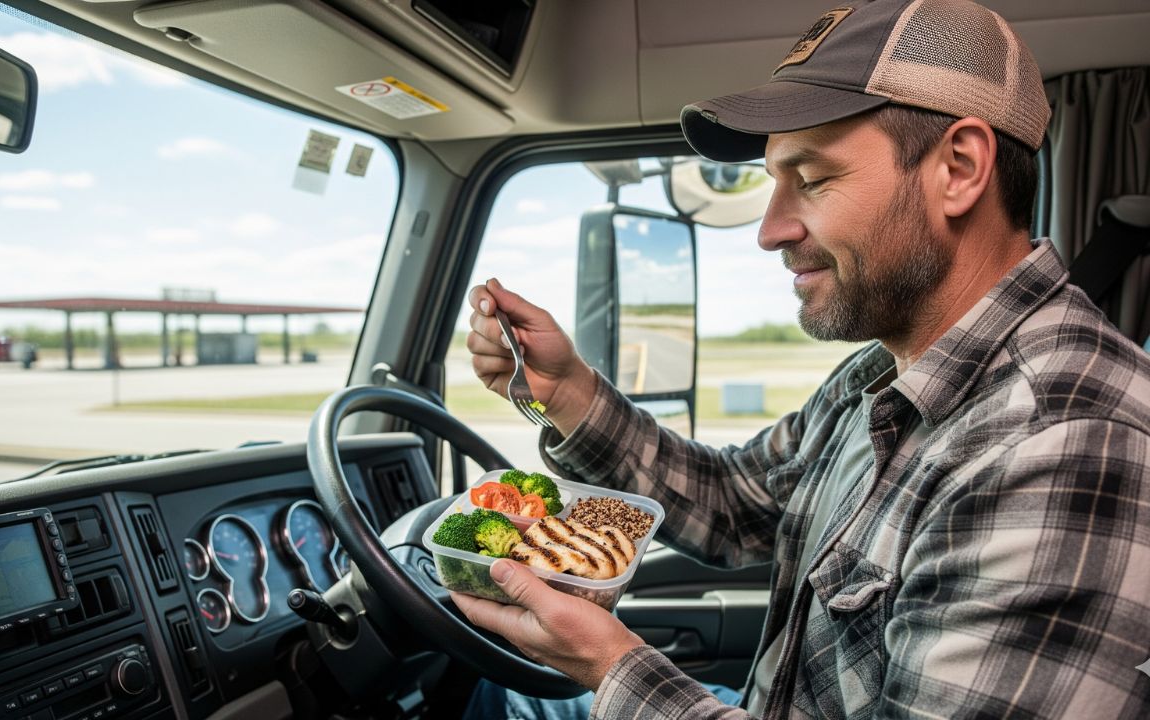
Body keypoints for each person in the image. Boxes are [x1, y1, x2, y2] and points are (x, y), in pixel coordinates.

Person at [455, 0, 1150, 717]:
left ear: (959, 168)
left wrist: (611, 667)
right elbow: (734, 503)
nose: (769, 230)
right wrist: (568, 392)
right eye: (773, 184)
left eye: (812, 179)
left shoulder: (1063, 445)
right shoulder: (887, 369)